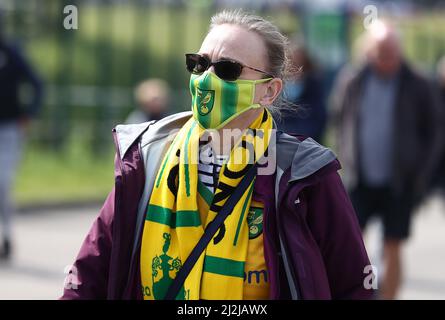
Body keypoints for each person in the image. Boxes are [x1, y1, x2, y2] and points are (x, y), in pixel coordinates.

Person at [62, 10, 373, 300]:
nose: (206, 79)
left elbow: (353, 286)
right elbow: (90, 271)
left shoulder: (303, 175)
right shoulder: (148, 157)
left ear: (269, 91)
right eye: (199, 64)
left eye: (227, 69)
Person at [334, 21, 442, 299]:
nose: (389, 61)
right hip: (360, 177)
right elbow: (339, 120)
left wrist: (420, 174)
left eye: (393, 54)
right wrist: (344, 159)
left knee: (393, 245)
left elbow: (434, 130)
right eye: (382, 54)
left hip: (400, 181)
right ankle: (356, 294)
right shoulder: (353, 80)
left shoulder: (417, 83)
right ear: (369, 53)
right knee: (352, 243)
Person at [0, 32, 43, 260]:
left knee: (2, 183)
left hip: (8, 129)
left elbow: (37, 83)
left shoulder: (11, 53)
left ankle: (6, 235)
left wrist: (30, 113)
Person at [277, 42, 327, 143]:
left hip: (307, 140)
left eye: (299, 61)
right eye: (292, 61)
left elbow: (319, 115)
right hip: (280, 140)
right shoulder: (278, 83)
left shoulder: (313, 84)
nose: (295, 65)